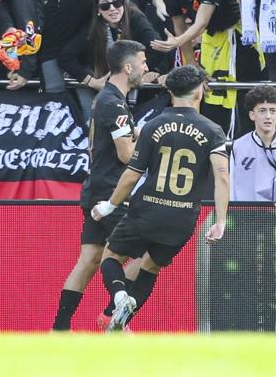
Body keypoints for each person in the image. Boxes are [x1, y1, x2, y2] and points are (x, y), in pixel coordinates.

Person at [93, 65, 229, 331]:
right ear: (199, 92)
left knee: (110, 256)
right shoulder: (213, 130)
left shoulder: (153, 126)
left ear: (170, 92)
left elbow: (132, 174)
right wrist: (221, 221)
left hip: (147, 210)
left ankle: (120, 297)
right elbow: (222, 177)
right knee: (151, 268)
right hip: (182, 217)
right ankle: (121, 325)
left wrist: (110, 206)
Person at [52, 39, 146, 332]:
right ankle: (112, 314)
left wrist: (134, 131)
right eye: (143, 62)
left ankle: (60, 329)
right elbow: (126, 154)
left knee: (90, 259)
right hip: (110, 192)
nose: (147, 68)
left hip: (96, 187)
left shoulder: (106, 99)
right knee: (147, 255)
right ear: (127, 67)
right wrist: (145, 141)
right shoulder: (114, 102)